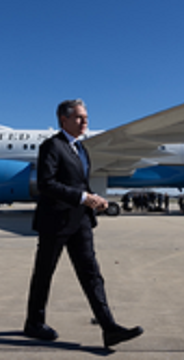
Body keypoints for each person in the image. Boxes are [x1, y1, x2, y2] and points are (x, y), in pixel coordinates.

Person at [23, 99, 143, 349]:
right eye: (79, 117)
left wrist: (93, 200)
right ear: (63, 119)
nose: (85, 121)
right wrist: (83, 197)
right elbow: (47, 183)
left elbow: (80, 184)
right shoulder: (51, 146)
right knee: (44, 274)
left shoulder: (81, 149)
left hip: (80, 221)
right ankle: (34, 323)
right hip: (54, 222)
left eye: (86, 117)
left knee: (92, 275)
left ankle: (109, 328)